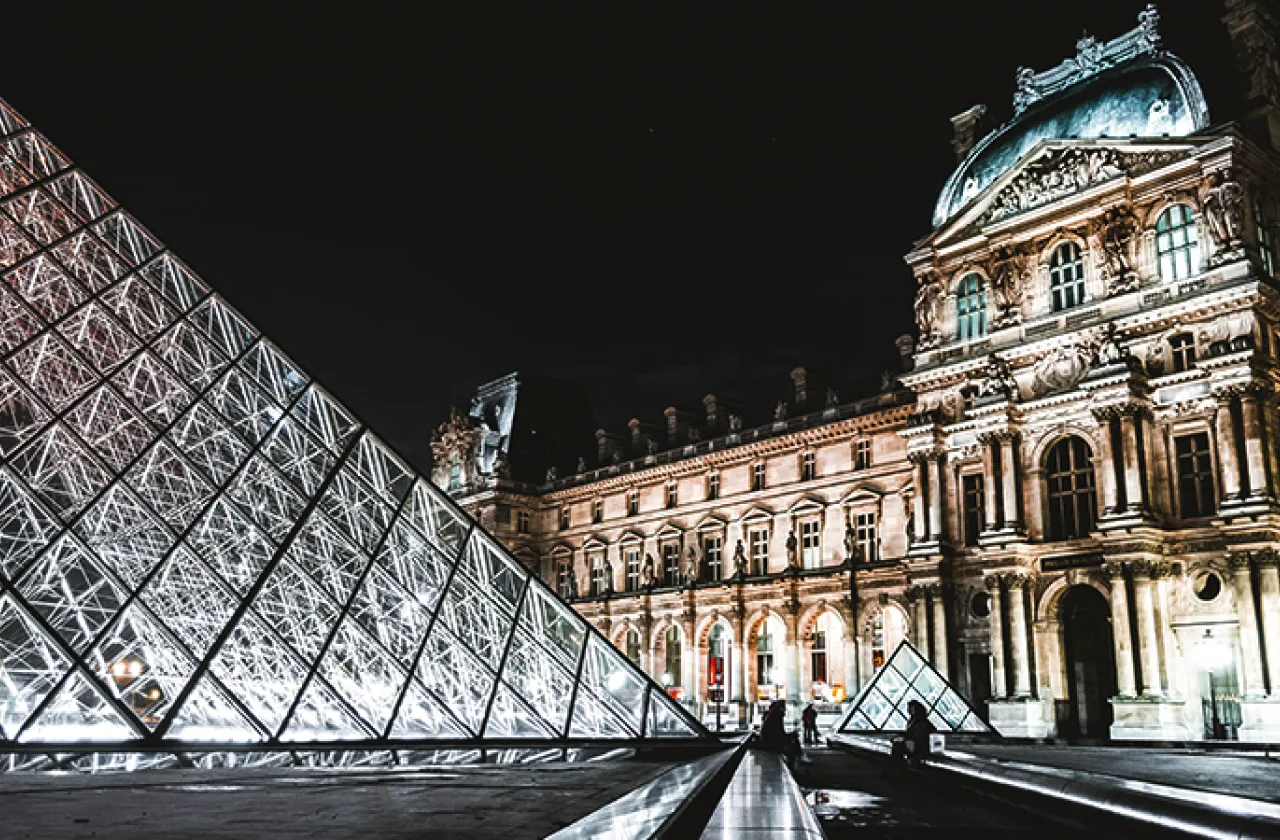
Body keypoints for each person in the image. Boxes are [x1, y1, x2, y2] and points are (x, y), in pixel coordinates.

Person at [887, 700, 936, 774]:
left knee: (898, 746)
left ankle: (897, 767)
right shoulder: (914, 720)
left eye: (910, 708)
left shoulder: (921, 721)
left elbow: (919, 736)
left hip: (920, 746)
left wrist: (903, 738)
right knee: (898, 745)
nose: (908, 710)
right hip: (915, 744)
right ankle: (898, 767)